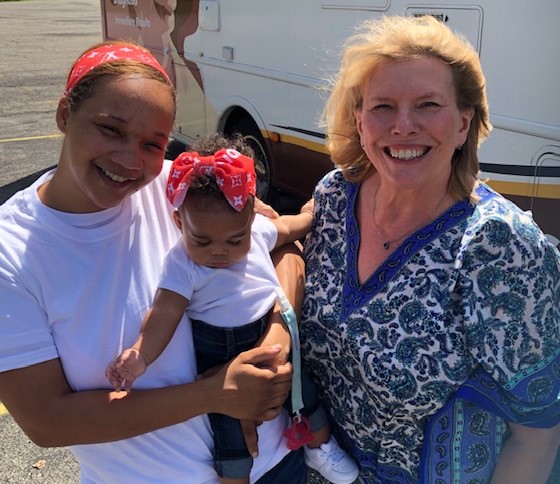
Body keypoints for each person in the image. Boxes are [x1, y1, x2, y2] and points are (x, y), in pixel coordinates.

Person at [0, 40, 307, 483]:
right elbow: (48, 422)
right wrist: (214, 395)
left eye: (152, 143)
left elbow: (282, 248)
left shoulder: (186, 187)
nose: (130, 160)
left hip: (276, 465)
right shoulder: (11, 251)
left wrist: (277, 336)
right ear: (65, 114)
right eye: (110, 129)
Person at [299, 15, 560, 484]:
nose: (403, 126)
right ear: (359, 121)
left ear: (463, 123)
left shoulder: (500, 248)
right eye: (383, 107)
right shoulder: (335, 196)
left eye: (428, 105)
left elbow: (538, 435)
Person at [105, 132, 359, 484]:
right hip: (220, 354)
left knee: (302, 388)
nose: (220, 251)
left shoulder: (257, 232)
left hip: (268, 328)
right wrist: (140, 354)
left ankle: (320, 446)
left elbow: (288, 228)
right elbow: (163, 313)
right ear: (179, 222)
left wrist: (311, 213)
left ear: (251, 216)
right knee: (230, 428)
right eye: (202, 240)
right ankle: (235, 478)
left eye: (235, 239)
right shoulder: (181, 262)